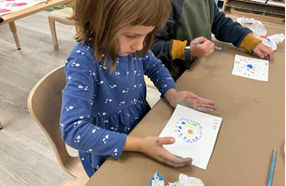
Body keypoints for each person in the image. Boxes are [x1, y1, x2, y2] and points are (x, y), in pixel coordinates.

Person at [60, 0, 218, 178]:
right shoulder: (83, 61)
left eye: (146, 36)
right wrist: (140, 145)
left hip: (142, 126)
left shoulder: (133, 48)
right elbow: (73, 130)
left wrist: (172, 93)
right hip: (108, 149)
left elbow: (155, 68)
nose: (140, 45)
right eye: (131, 36)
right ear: (98, 21)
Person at [151, 0, 274, 81]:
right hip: (179, 77)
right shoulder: (162, 3)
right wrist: (188, 50)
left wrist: (250, 42)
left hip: (202, 67)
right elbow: (152, 47)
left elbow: (219, 22)